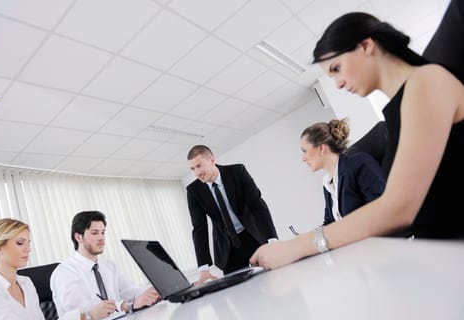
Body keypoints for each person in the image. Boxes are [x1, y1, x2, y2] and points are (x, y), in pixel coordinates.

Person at [250, 12, 464, 270]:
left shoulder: (426, 81)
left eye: (336, 69)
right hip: (438, 255)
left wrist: (296, 246)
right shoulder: (398, 109)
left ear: (366, 45)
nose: (338, 83)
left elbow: (400, 207)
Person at [186, 145, 278, 284]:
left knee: (271, 281)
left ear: (211, 160)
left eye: (199, 166)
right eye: (193, 169)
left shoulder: (237, 172)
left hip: (253, 237)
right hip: (227, 249)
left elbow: (257, 206)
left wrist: (272, 240)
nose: (197, 173)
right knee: (241, 295)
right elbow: (199, 228)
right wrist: (204, 268)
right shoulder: (194, 190)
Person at [50, 211, 160, 320]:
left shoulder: (109, 266)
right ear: (79, 237)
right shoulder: (64, 272)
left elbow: (130, 290)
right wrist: (125, 305)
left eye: (103, 232)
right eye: (95, 233)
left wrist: (153, 291)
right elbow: (83, 315)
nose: (101, 238)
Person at [300, 118, 385, 225]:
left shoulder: (359, 163)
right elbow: (329, 223)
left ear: (321, 148)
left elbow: (382, 208)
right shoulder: (328, 183)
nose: (303, 158)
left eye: (305, 151)